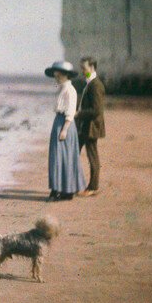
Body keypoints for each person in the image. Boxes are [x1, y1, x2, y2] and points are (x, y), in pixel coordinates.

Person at [45, 60, 87, 201]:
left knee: (64, 157)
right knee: (57, 156)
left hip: (65, 124)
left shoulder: (70, 90)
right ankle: (58, 188)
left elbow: (70, 111)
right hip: (58, 121)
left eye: (57, 72)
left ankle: (66, 190)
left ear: (64, 74)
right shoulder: (62, 87)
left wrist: (64, 130)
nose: (55, 75)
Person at [75, 56, 106, 196]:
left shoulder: (95, 84)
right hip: (85, 126)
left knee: (92, 156)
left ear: (92, 68)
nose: (82, 71)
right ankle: (75, 185)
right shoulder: (90, 83)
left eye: (84, 68)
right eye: (81, 68)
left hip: (92, 126)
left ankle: (93, 187)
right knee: (74, 152)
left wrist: (78, 114)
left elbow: (97, 110)